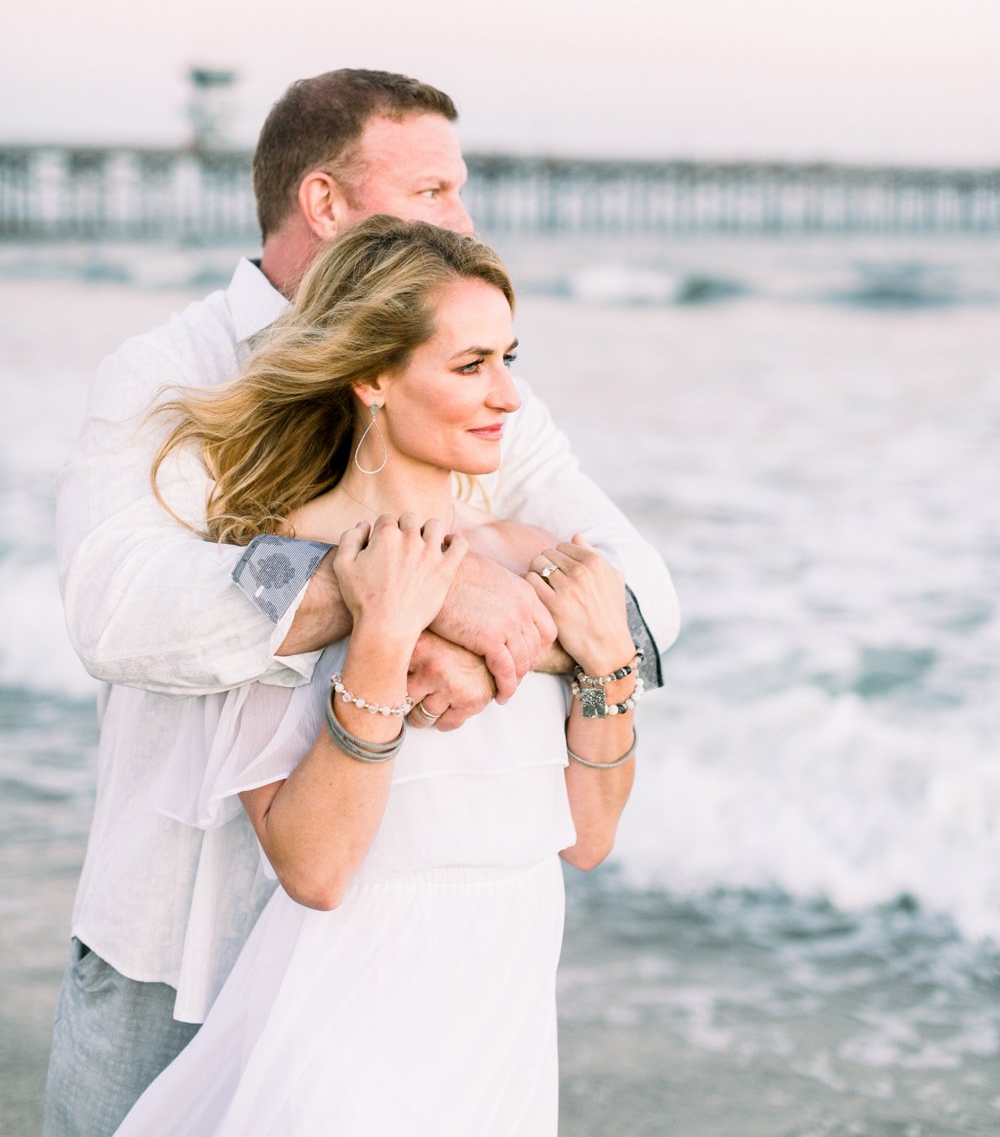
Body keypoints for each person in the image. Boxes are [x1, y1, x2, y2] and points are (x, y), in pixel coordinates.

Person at [45, 69, 679, 1137]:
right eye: (433, 191)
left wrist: (476, 633)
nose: (462, 219)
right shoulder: (166, 373)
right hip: (180, 941)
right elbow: (120, 613)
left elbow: (640, 588)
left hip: (418, 977)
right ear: (326, 204)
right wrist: (382, 590)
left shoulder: (475, 392)